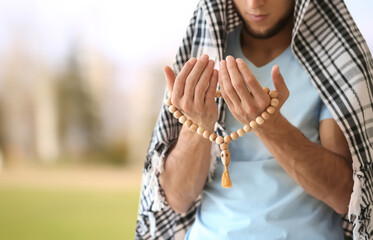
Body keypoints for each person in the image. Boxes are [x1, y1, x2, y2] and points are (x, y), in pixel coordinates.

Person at [135, 0, 373, 239]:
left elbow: (345, 196)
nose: (255, 3)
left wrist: (270, 125)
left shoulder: (334, 63)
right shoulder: (207, 54)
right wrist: (197, 125)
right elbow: (177, 199)